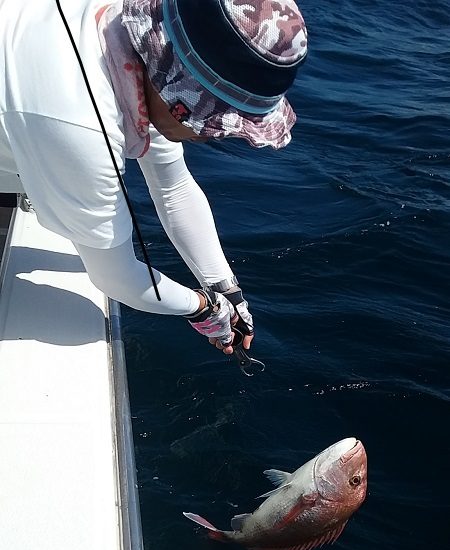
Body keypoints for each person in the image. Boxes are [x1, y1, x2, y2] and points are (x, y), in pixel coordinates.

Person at [0, 0, 307, 356]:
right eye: (212, 117)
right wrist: (206, 310)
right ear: (176, 83)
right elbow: (115, 279)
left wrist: (225, 289)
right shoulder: (80, 124)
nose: (212, 134)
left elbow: (173, 188)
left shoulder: (132, 43)